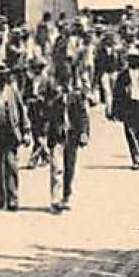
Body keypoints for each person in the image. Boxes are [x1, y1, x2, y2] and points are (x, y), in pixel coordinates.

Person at [42, 60, 90, 212]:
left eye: (67, 78)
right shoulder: (52, 93)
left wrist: (84, 133)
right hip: (56, 136)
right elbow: (44, 112)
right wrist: (55, 99)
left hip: (72, 135)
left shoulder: (76, 96)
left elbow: (83, 115)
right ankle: (55, 199)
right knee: (57, 168)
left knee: (69, 168)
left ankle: (67, 195)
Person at [0, 63, 32, 210]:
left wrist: (26, 131)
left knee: (11, 166)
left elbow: (22, 111)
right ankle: (0, 198)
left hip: (11, 134)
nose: (1, 78)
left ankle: (13, 199)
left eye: (3, 76)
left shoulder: (13, 92)